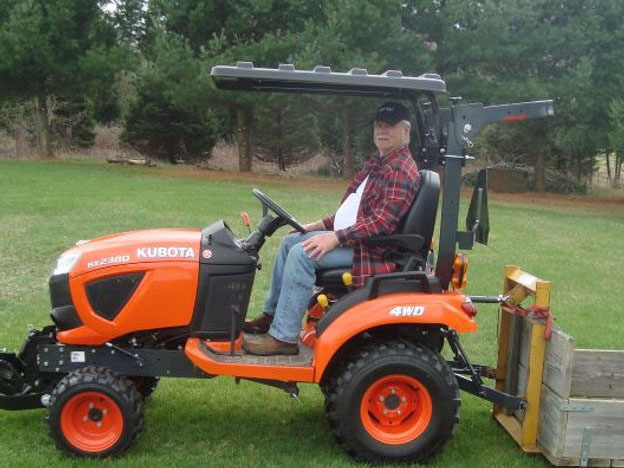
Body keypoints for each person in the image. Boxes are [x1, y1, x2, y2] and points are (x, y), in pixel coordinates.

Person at [242, 101, 421, 356]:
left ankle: (283, 338)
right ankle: (271, 318)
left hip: (374, 251)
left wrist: (335, 238)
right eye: (379, 125)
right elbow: (354, 210)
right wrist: (316, 227)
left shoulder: (400, 170)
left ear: (405, 130)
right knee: (290, 243)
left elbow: (382, 223)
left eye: (390, 126)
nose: (383, 131)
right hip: (359, 240)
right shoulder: (380, 163)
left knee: (303, 253)